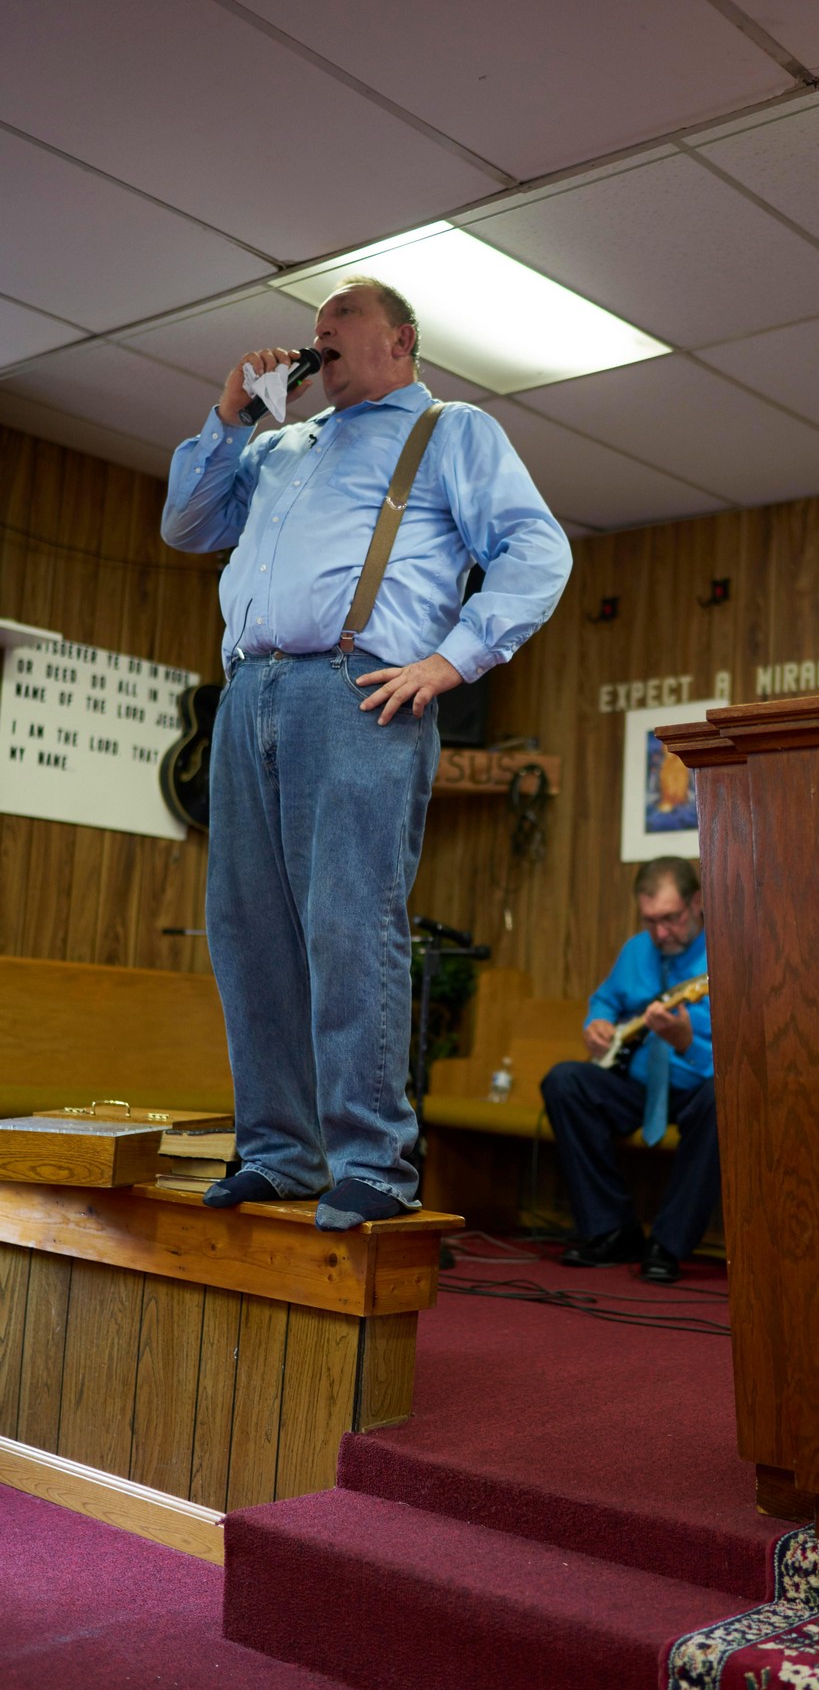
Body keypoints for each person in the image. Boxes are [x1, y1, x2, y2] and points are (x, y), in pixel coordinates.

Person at [161, 276, 571, 1230]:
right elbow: (187, 526)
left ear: (402, 339)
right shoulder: (280, 445)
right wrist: (228, 418)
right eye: (314, 329)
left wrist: (451, 659)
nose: (319, 337)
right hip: (248, 693)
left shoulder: (452, 431)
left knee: (350, 924)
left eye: (339, 323)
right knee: (248, 932)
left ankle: (373, 1162)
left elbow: (537, 550)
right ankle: (279, 1151)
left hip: (358, 693)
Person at [541, 857, 718, 1284]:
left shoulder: (723, 955)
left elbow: (746, 1056)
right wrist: (596, 1025)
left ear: (697, 902)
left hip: (698, 1087)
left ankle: (668, 1244)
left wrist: (686, 1042)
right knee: (565, 1081)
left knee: (723, 1099)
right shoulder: (638, 949)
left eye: (671, 919)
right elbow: (605, 1000)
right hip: (638, 1086)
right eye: (651, 920)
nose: (661, 933)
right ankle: (611, 1229)